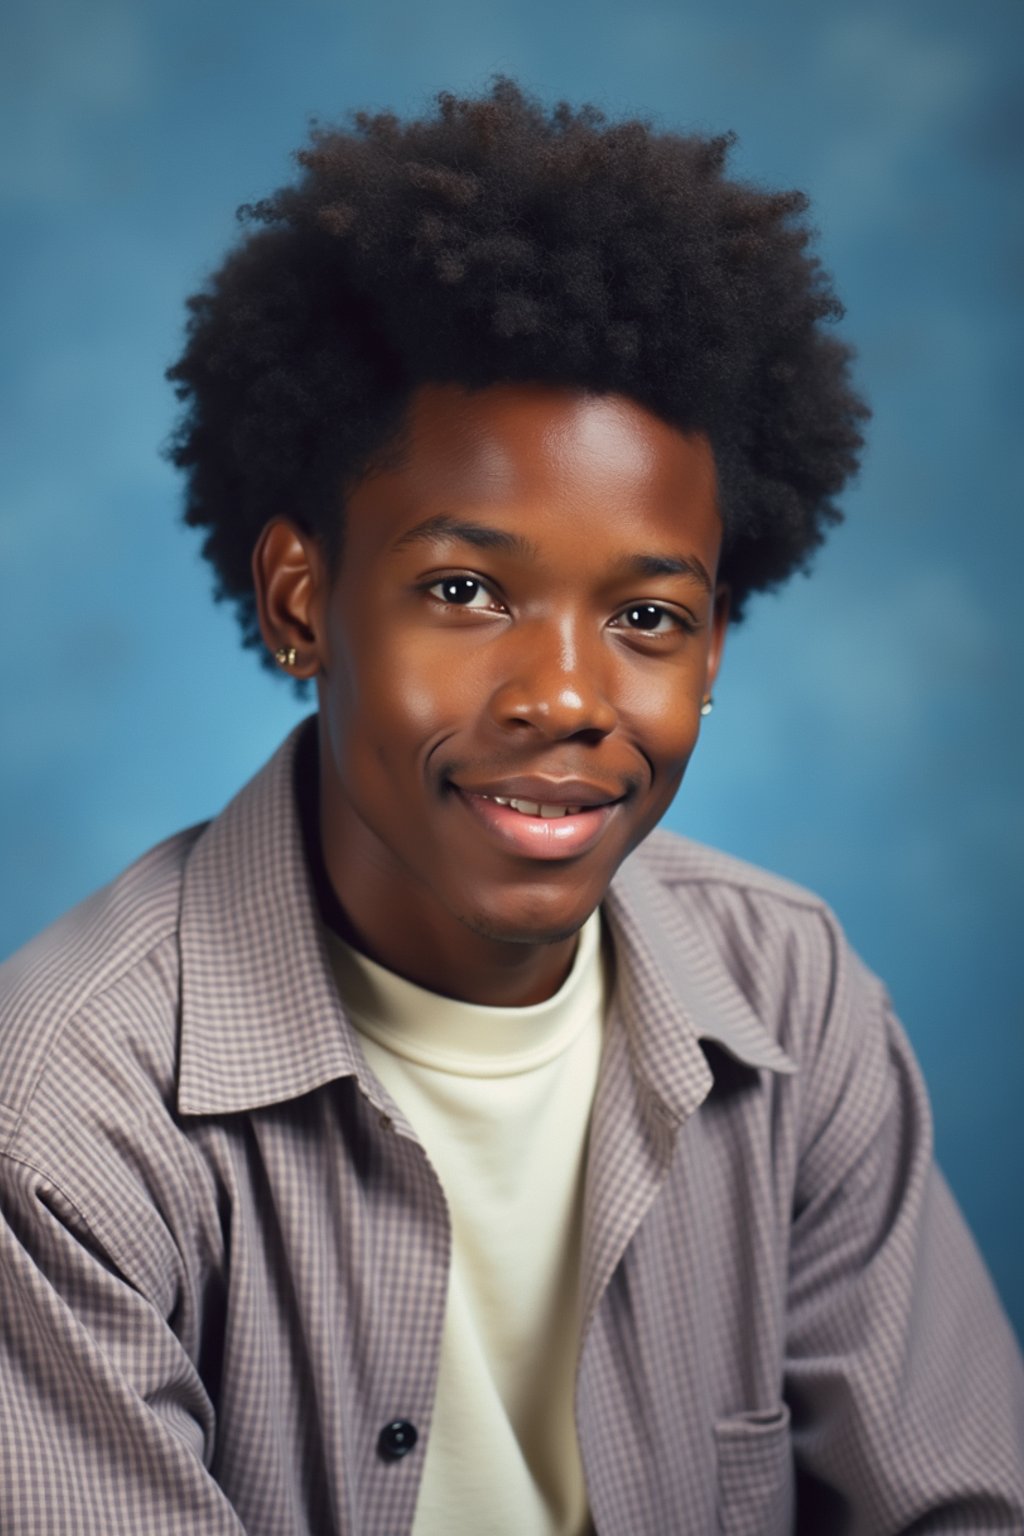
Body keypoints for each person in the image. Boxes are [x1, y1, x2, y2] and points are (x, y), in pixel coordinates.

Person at [1, 79, 1021, 1536]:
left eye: (651, 616)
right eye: (465, 591)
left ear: (717, 647)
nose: (567, 695)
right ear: (303, 601)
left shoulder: (794, 1004)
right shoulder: (63, 1118)